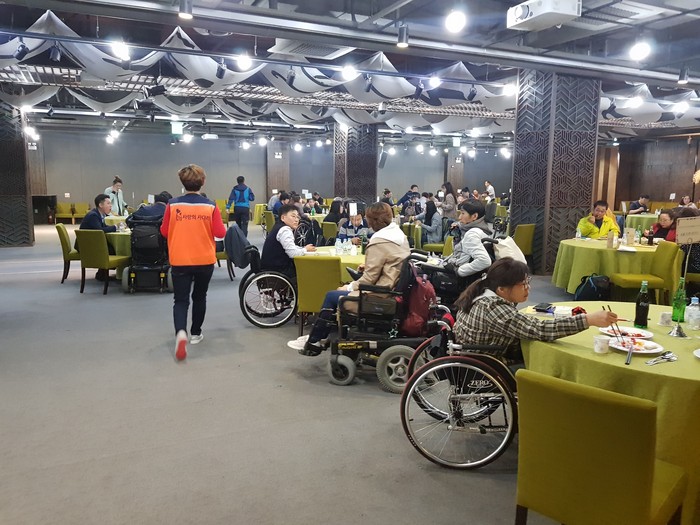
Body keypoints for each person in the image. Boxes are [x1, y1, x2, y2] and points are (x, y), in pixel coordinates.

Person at [287, 202, 409, 355]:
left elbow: (369, 279)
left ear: (371, 221)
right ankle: (317, 337)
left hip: (379, 295)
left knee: (332, 296)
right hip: (391, 289)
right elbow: (389, 263)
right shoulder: (400, 238)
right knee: (339, 292)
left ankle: (314, 340)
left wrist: (349, 287)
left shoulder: (379, 242)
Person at [452, 257, 618, 367]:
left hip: (476, 356)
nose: (528, 288)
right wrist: (588, 319)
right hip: (491, 364)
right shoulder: (494, 309)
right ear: (501, 289)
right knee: (551, 363)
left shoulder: (481, 293)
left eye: (528, 282)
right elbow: (541, 330)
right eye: (522, 284)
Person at [160, 164, 226, 361]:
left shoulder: (172, 205)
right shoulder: (211, 206)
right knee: (200, 296)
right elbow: (220, 233)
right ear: (203, 182)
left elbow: (164, 231)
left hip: (180, 259)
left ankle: (181, 332)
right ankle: (196, 333)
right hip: (204, 259)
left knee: (180, 300)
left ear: (182, 182)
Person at [259, 204, 316, 280]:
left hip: (270, 266)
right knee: (309, 271)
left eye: (297, 217)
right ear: (283, 218)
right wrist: (305, 249)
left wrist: (303, 248)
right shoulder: (285, 230)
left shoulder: (278, 226)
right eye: (293, 216)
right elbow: (292, 253)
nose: (296, 220)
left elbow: (291, 247)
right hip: (278, 270)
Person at [443, 200, 493, 281]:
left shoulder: (472, 234)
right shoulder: (482, 230)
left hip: (461, 279)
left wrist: (459, 271)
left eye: (463, 213)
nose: (459, 217)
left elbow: (484, 261)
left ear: (474, 216)